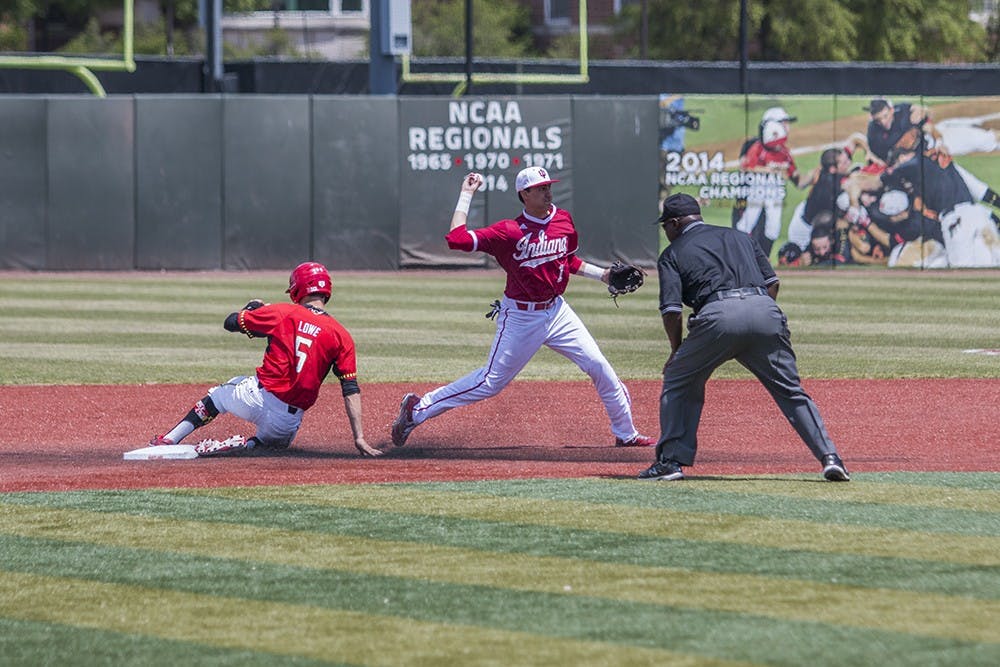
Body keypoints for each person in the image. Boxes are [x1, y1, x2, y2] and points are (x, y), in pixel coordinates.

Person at [391, 167, 655, 449]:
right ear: (524, 194)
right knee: (489, 383)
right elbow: (457, 239)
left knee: (599, 365)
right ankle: (417, 409)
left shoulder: (563, 220)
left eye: (548, 186)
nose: (547, 192)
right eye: (540, 188)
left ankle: (626, 433)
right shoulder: (508, 232)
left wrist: (601, 275)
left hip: (557, 312)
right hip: (520, 317)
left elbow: (568, 260)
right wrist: (466, 194)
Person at [638, 193, 849, 482]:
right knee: (790, 390)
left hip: (717, 317)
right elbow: (772, 282)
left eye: (665, 226)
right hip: (764, 309)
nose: (666, 231)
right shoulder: (741, 237)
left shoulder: (672, 254)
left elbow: (671, 311)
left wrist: (677, 349)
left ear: (675, 223)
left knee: (679, 380)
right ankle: (830, 457)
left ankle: (670, 463)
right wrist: (761, 311)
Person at [149, 261, 382, 458]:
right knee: (269, 447)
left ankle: (169, 440)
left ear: (298, 288)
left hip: (257, 397)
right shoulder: (342, 335)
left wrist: (252, 308)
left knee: (217, 397)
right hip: (288, 421)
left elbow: (230, 323)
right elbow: (350, 388)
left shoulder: (283, 312)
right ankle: (246, 445)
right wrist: (359, 437)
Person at [733, 107, 816, 258]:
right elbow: (745, 168)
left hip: (772, 199)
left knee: (772, 231)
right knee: (746, 229)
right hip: (752, 198)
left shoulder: (784, 152)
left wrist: (814, 174)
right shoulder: (754, 145)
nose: (787, 128)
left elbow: (797, 180)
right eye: (783, 123)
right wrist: (769, 170)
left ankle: (762, 264)